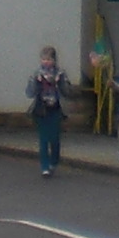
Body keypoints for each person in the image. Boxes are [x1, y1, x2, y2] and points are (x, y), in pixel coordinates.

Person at [26, 46, 70, 175]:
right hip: (42, 108)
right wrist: (36, 82)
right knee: (44, 138)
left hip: (56, 108)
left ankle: (54, 161)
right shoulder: (36, 73)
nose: (46, 62)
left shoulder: (60, 73)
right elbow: (29, 93)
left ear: (54, 60)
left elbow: (67, 92)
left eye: (49, 59)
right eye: (43, 59)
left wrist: (60, 82)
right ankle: (44, 166)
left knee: (55, 138)